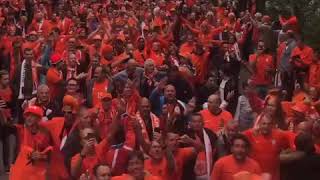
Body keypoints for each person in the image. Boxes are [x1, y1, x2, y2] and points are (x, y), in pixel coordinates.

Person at [8, 106, 53, 180]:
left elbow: (49, 153)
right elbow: (6, 127)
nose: (29, 118)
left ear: (38, 119)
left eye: (32, 116)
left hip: (37, 173)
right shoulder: (20, 129)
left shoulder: (45, 133)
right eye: (27, 115)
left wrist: (42, 156)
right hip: (20, 171)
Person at [244, 113, 289, 180]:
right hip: (255, 176)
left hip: (274, 177)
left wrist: (282, 156)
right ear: (259, 124)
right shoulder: (250, 133)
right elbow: (237, 139)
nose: (266, 126)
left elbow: (289, 148)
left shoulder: (280, 135)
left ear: (272, 125)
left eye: (269, 124)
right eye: (264, 123)